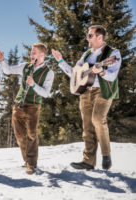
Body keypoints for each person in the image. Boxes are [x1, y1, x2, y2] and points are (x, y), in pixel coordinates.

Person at [52, 25, 122, 170]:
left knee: (98, 119)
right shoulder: (87, 54)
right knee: (87, 127)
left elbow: (112, 75)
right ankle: (88, 161)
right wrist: (60, 61)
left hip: (103, 91)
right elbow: (74, 72)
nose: (87, 38)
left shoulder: (113, 53)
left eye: (90, 36)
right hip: (85, 92)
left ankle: (106, 154)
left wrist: (101, 71)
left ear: (100, 37)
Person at [0, 43, 54, 174]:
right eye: (31, 52)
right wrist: (2, 60)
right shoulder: (26, 67)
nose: (31, 55)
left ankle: (31, 164)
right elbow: (8, 70)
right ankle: (27, 160)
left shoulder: (49, 73)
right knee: (19, 135)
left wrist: (33, 85)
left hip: (33, 106)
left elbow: (46, 93)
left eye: (34, 52)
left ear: (42, 55)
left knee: (31, 135)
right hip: (18, 104)